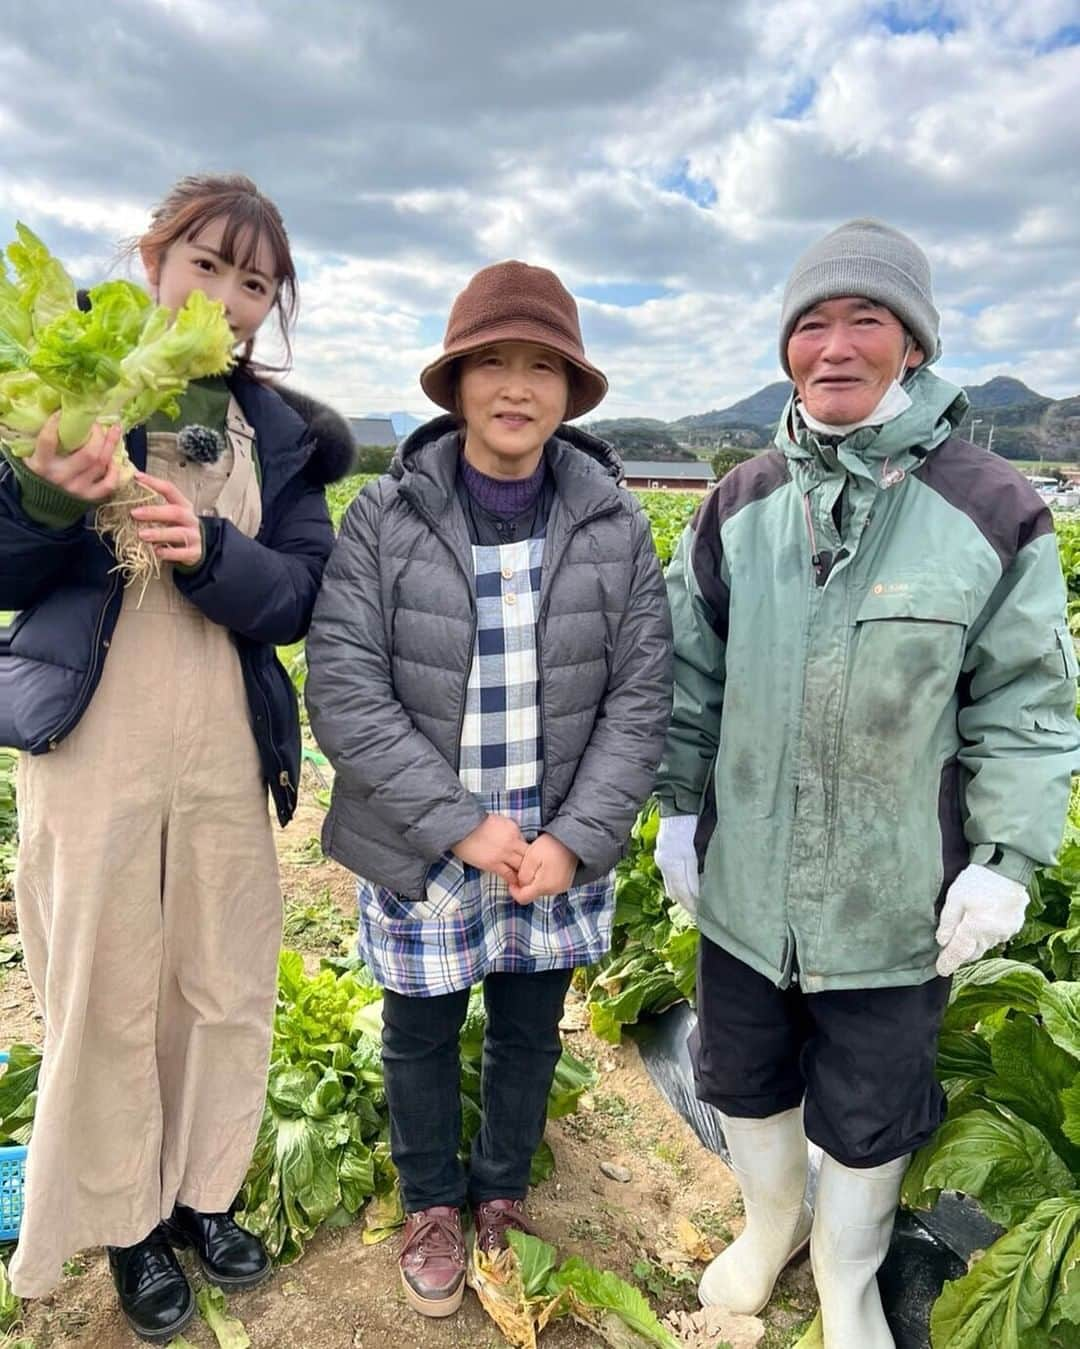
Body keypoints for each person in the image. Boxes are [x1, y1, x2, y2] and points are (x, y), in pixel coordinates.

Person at [653, 218, 1079, 1347]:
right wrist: (676, 810)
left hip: (895, 900)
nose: (833, 346)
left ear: (915, 346)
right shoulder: (738, 502)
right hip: (746, 890)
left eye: (865, 319)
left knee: (869, 1106)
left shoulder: (991, 510)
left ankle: (846, 1277)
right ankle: (767, 1226)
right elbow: (689, 672)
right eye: (811, 323)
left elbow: (1027, 703)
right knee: (741, 1075)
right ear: (787, 346)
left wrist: (1005, 860)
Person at [0, 174, 354, 1341]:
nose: (232, 297)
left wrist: (211, 551)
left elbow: (300, 589)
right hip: (91, 733)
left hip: (218, 736)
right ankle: (126, 1222)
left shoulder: (288, 433)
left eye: (257, 283)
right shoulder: (59, 382)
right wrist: (49, 499)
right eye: (210, 264)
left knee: (223, 975)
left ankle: (203, 1193)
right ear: (154, 259)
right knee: (104, 987)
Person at [305, 260, 672, 1319]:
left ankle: (501, 1191)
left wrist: (576, 836)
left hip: (555, 842)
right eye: (494, 363)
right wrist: (461, 824)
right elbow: (345, 685)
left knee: (526, 1024)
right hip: (425, 836)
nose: (517, 386)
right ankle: (430, 1200)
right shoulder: (385, 515)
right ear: (457, 382)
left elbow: (639, 699)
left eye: (543, 365)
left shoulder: (612, 524)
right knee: (418, 1028)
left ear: (570, 389)